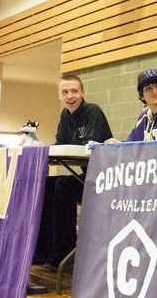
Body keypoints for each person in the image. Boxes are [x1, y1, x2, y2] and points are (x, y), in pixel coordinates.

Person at [36, 74, 113, 269]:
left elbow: (89, 146)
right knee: (48, 183)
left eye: (74, 91)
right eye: (65, 92)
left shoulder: (92, 111)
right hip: (87, 175)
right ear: (59, 95)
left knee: (64, 185)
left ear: (83, 92)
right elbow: (61, 144)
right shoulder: (64, 115)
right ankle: (46, 250)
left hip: (105, 178)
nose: (70, 96)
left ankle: (65, 251)